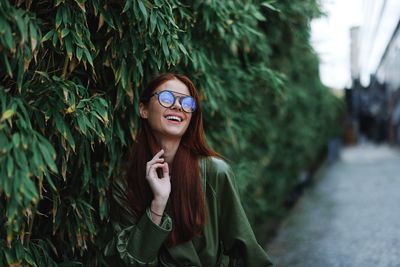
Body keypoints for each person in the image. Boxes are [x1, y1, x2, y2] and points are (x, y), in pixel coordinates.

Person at [105, 73, 273, 266]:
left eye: (187, 103)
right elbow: (126, 262)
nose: (178, 106)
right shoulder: (125, 182)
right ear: (143, 109)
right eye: (167, 98)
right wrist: (158, 204)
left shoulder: (214, 172)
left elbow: (244, 248)